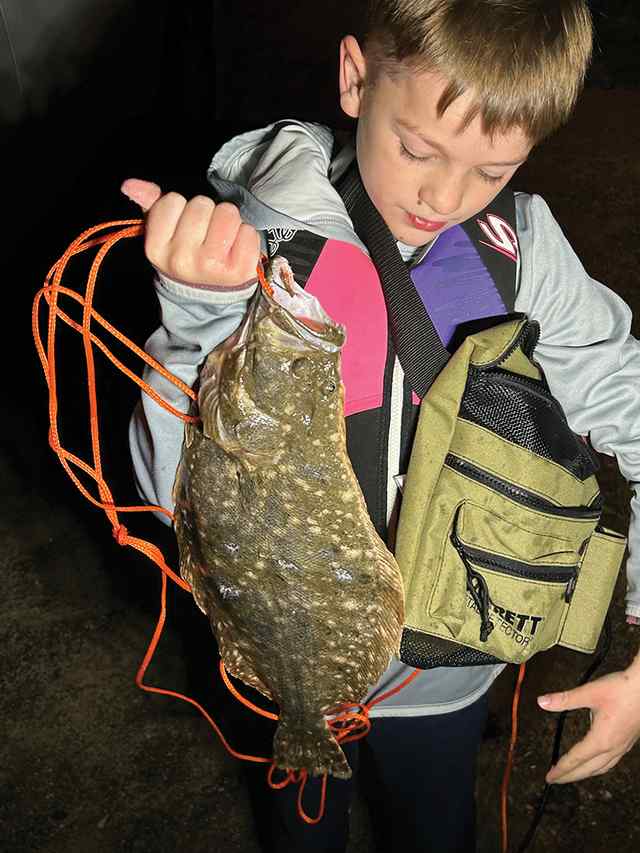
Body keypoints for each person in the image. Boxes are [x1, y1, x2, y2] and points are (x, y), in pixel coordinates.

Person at [121, 1, 640, 850]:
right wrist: (193, 317)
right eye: (417, 150)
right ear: (356, 80)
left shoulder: (526, 256)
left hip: (443, 677)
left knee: (436, 830)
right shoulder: (258, 247)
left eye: (493, 169)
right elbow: (166, 488)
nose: (445, 197)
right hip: (287, 664)